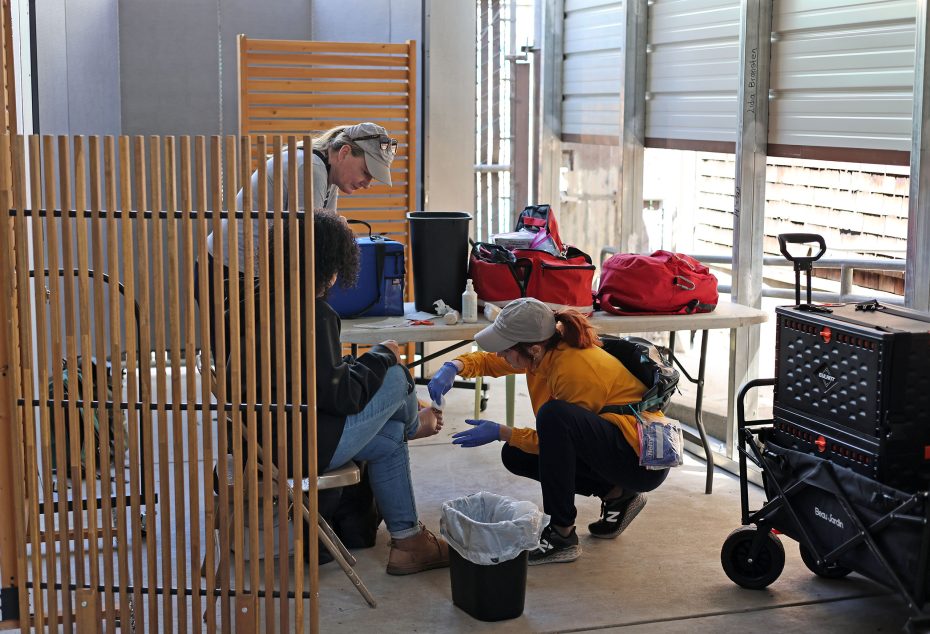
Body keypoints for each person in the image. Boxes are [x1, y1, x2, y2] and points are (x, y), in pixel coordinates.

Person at [427, 297, 669, 566]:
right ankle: (616, 494)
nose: (500, 355)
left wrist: (502, 431)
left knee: (554, 417)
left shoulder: (573, 369)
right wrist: (455, 366)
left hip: (640, 461)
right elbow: (491, 362)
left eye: (505, 349)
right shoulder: (541, 351)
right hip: (613, 445)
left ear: (533, 349)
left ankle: (562, 534)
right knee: (516, 454)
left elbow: (553, 441)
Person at [302, 211, 449, 575]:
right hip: (304, 443)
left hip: (269, 436)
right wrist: (383, 354)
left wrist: (367, 363)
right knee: (398, 377)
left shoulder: (271, 298)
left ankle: (408, 541)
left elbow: (322, 379)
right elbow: (340, 397)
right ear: (334, 267)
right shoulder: (314, 312)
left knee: (387, 439)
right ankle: (416, 425)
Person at [195, 122, 397, 357]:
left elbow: (323, 237)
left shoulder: (326, 174)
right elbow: (309, 243)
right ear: (344, 153)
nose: (368, 183)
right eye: (366, 171)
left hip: (249, 274)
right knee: (242, 373)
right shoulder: (310, 169)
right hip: (227, 273)